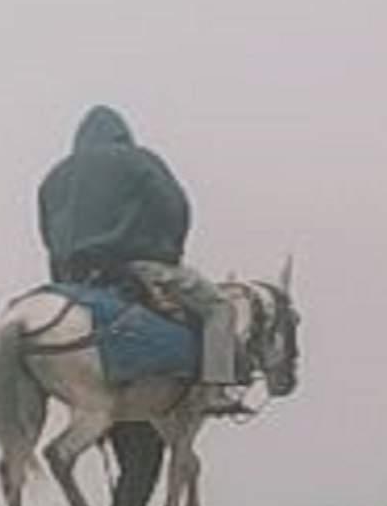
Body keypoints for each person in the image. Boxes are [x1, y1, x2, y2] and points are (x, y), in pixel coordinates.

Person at [35, 108, 236, 397]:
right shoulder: (139, 160)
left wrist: (63, 274)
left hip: (73, 279)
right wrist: (170, 252)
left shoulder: (53, 176)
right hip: (138, 265)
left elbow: (46, 232)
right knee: (220, 308)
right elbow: (173, 206)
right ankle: (217, 386)